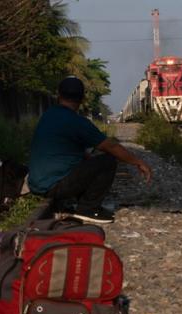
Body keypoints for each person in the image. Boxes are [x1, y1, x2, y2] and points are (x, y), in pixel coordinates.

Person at [28, 76, 152, 223]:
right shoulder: (77, 122)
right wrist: (138, 162)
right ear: (82, 99)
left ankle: (81, 203)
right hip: (53, 186)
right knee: (108, 161)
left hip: (36, 184)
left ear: (58, 95)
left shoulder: (48, 115)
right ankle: (88, 209)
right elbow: (111, 146)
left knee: (88, 158)